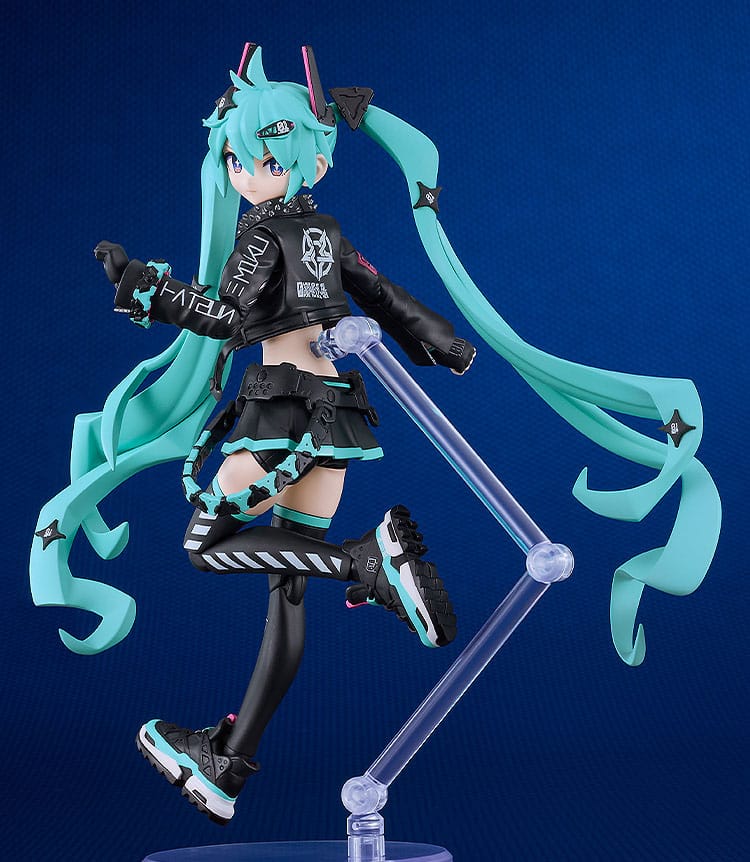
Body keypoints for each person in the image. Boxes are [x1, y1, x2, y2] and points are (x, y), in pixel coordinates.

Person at [34, 41, 719, 828]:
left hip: (282, 411)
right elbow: (381, 293)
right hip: (338, 416)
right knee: (285, 590)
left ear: (308, 159)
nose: (244, 174)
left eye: (259, 159)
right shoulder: (324, 232)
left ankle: (366, 563)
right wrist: (445, 343)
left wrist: (144, 288)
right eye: (234, 160)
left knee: (204, 543)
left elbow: (224, 317)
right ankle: (228, 762)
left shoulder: (259, 236)